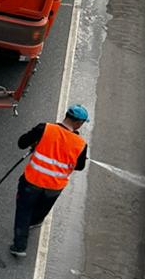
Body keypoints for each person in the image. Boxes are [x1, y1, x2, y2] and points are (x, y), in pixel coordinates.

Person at [10, 105, 89, 258]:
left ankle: (19, 247)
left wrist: (36, 143)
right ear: (79, 123)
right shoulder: (81, 144)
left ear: (67, 116)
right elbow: (79, 167)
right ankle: (34, 222)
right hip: (54, 187)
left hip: (32, 182)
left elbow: (21, 143)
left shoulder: (44, 128)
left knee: (24, 211)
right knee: (41, 209)